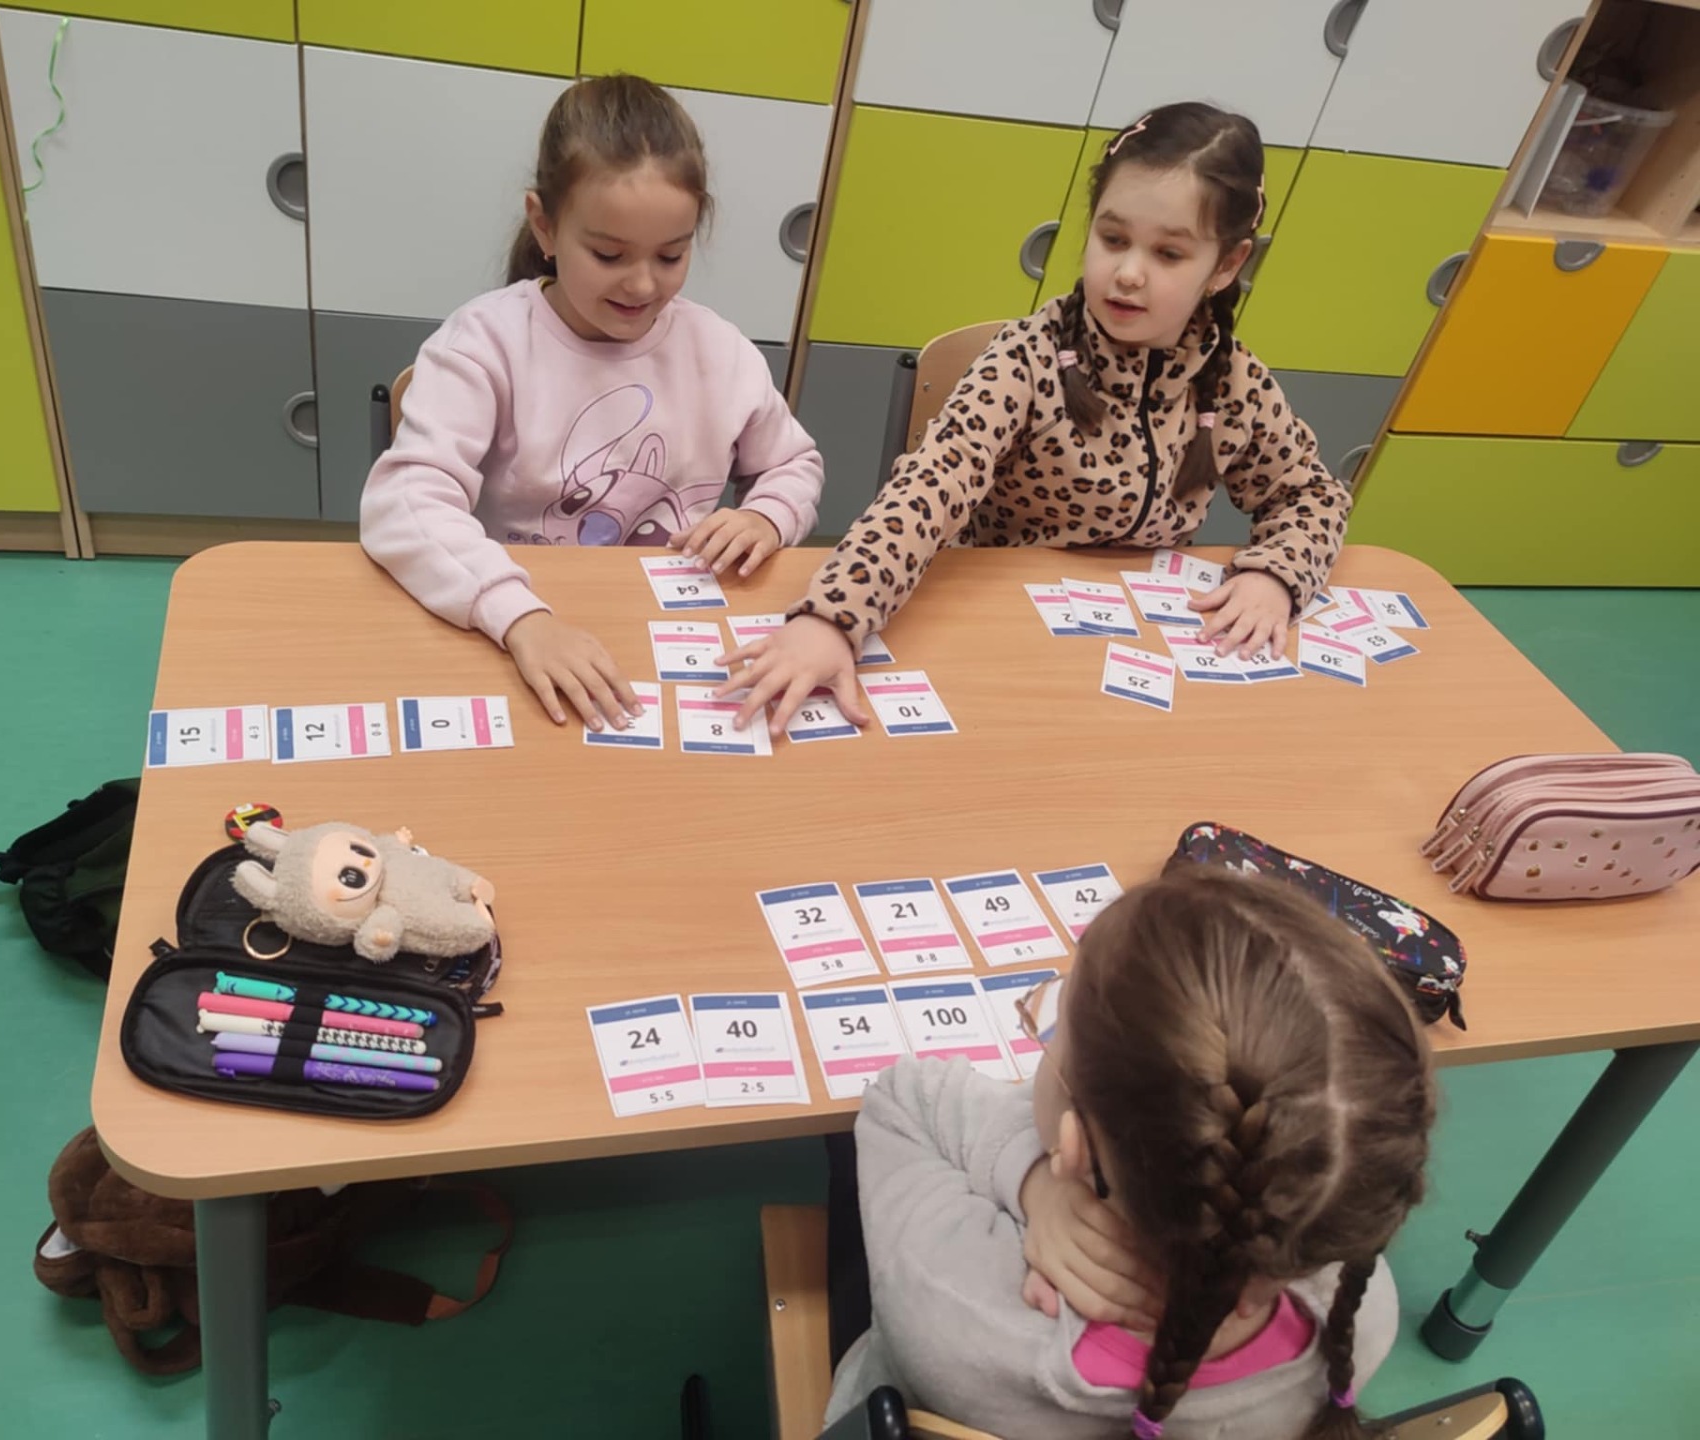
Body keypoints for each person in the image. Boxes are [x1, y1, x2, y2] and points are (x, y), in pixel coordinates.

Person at [721, 103, 1348, 735]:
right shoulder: (1028, 358)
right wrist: (833, 617)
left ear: (1227, 266)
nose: (1128, 273)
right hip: (998, 635)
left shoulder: (1233, 380)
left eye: (1168, 253)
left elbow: (1311, 494)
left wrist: (1276, 575)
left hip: (1133, 653)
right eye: (1113, 239)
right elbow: (930, 485)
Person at [828, 867, 1436, 1439]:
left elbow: (902, 1101)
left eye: (1051, 1026)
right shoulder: (1363, 1313)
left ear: (1074, 1144)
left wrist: (1035, 1181)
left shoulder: (957, 1309)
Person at [361, 74, 824, 731]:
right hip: (515, 630)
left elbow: (794, 464)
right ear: (545, 226)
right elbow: (406, 501)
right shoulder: (484, 344)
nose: (642, 285)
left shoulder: (718, 351)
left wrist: (766, 516)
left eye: (671, 255)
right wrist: (520, 618)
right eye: (608, 255)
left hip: (668, 636)